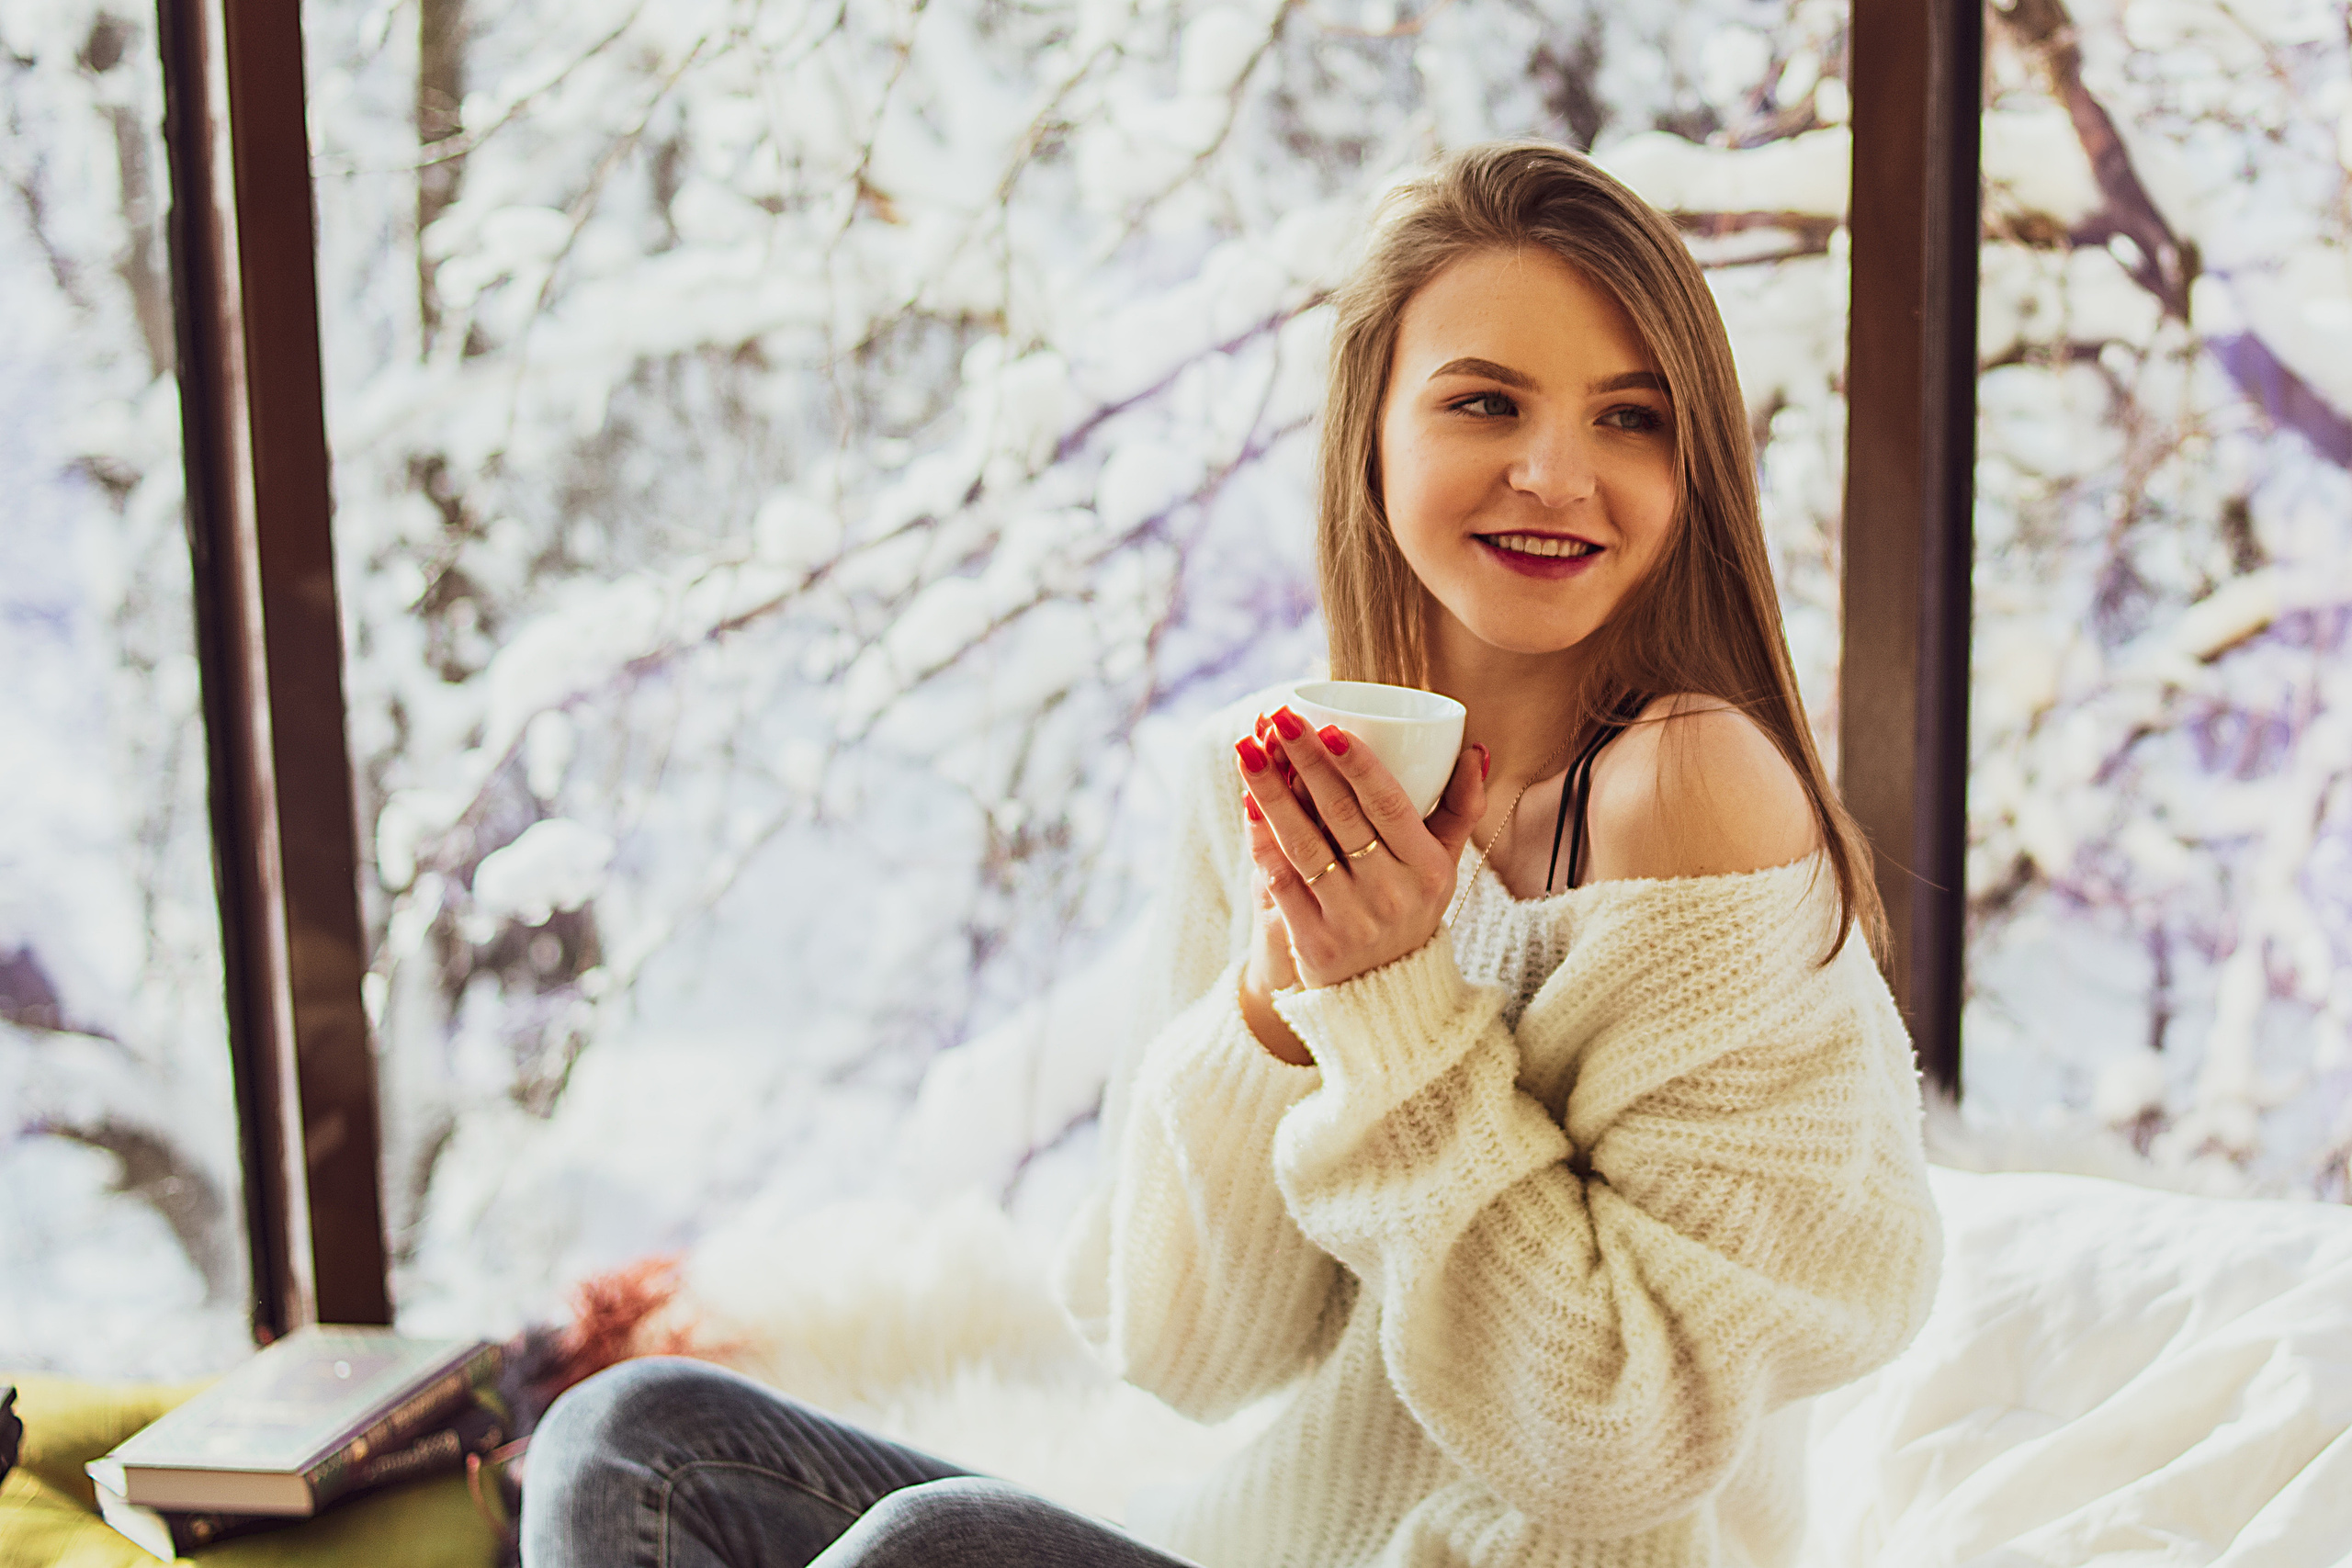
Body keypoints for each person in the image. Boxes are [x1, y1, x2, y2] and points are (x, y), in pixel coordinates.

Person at [519, 139, 1941, 1568]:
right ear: (1369, 436)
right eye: (1485, 402)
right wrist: (1273, 1005)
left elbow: (1623, 1443)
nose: (1557, 472)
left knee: (927, 1551)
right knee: (638, 1442)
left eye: (1630, 418)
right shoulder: (1269, 785)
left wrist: (1391, 1005)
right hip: (1261, 1541)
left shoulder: (1688, 788)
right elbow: (1185, 1352)